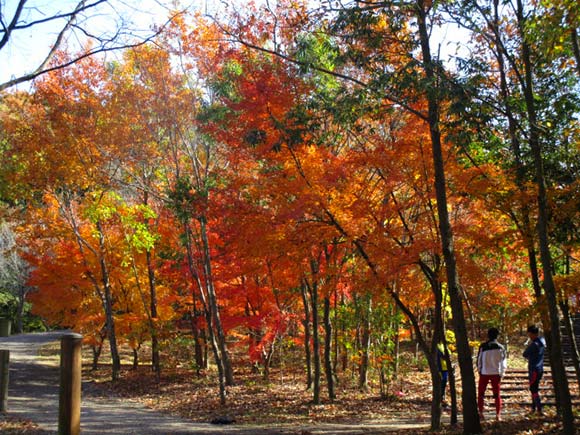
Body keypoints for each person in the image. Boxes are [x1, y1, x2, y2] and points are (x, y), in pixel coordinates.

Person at [477, 327, 507, 421]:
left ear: (488, 335)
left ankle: (481, 413)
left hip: (484, 373)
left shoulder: (483, 347)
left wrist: (479, 370)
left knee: (481, 394)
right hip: (496, 373)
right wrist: (502, 373)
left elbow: (479, 361)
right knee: (497, 395)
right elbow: (503, 363)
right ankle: (498, 415)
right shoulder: (501, 347)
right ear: (497, 335)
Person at [523, 325, 546, 416]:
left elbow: (524, 354)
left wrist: (530, 356)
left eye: (529, 334)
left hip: (534, 369)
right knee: (534, 388)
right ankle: (533, 408)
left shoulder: (534, 344)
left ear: (532, 334)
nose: (529, 336)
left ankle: (539, 409)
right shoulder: (542, 341)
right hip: (540, 368)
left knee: (533, 389)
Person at [437, 342, 449, 408]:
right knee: (441, 384)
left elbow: (449, 354)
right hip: (440, 369)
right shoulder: (437, 346)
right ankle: (440, 400)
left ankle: (442, 399)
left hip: (445, 368)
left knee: (444, 384)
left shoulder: (444, 345)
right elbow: (444, 356)